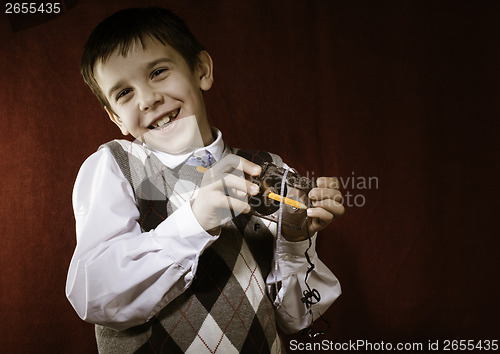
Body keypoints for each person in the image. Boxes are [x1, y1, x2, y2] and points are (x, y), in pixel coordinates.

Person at [66, 7, 344, 353]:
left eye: (158, 72)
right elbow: (95, 298)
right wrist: (195, 221)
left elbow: (297, 318)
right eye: (124, 93)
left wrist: (293, 238)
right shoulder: (114, 166)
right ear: (116, 118)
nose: (148, 99)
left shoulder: (267, 169)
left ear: (202, 70)